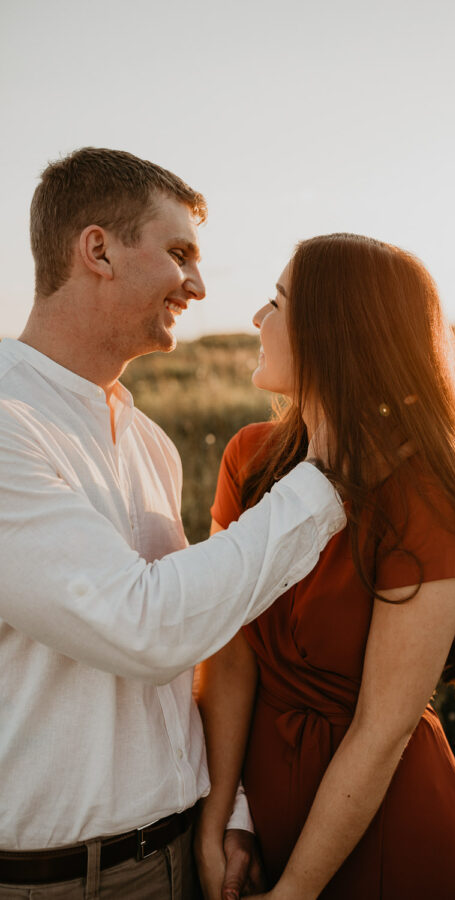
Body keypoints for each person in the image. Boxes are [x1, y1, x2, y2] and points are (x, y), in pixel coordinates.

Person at [0, 149, 346, 899]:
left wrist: (233, 809)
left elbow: (197, 632)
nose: (198, 285)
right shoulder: (6, 423)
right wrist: (323, 481)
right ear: (98, 251)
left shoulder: (150, 442)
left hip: (181, 855)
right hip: (53, 882)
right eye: (179, 254)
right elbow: (144, 628)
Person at [194, 233, 455, 899]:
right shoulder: (249, 458)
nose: (256, 318)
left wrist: (295, 891)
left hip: (385, 829)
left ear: (332, 330)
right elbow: (228, 656)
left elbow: (382, 729)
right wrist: (223, 816)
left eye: (276, 302)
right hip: (264, 808)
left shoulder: (423, 494)